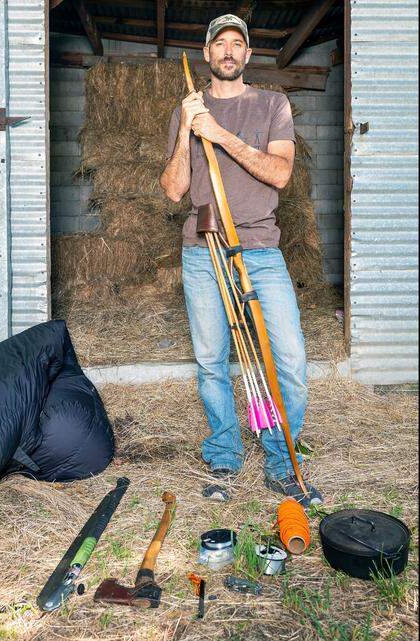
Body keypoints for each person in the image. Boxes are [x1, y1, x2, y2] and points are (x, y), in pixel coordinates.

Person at [159, 14, 322, 507]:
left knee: (288, 359)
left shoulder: (273, 104)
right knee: (212, 361)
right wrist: (190, 129)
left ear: (248, 55)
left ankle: (279, 457)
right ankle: (225, 453)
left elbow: (279, 174)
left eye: (237, 44)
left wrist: (221, 136)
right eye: (219, 44)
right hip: (202, 249)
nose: (228, 52)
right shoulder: (186, 109)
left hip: (260, 249)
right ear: (207, 55)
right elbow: (173, 191)